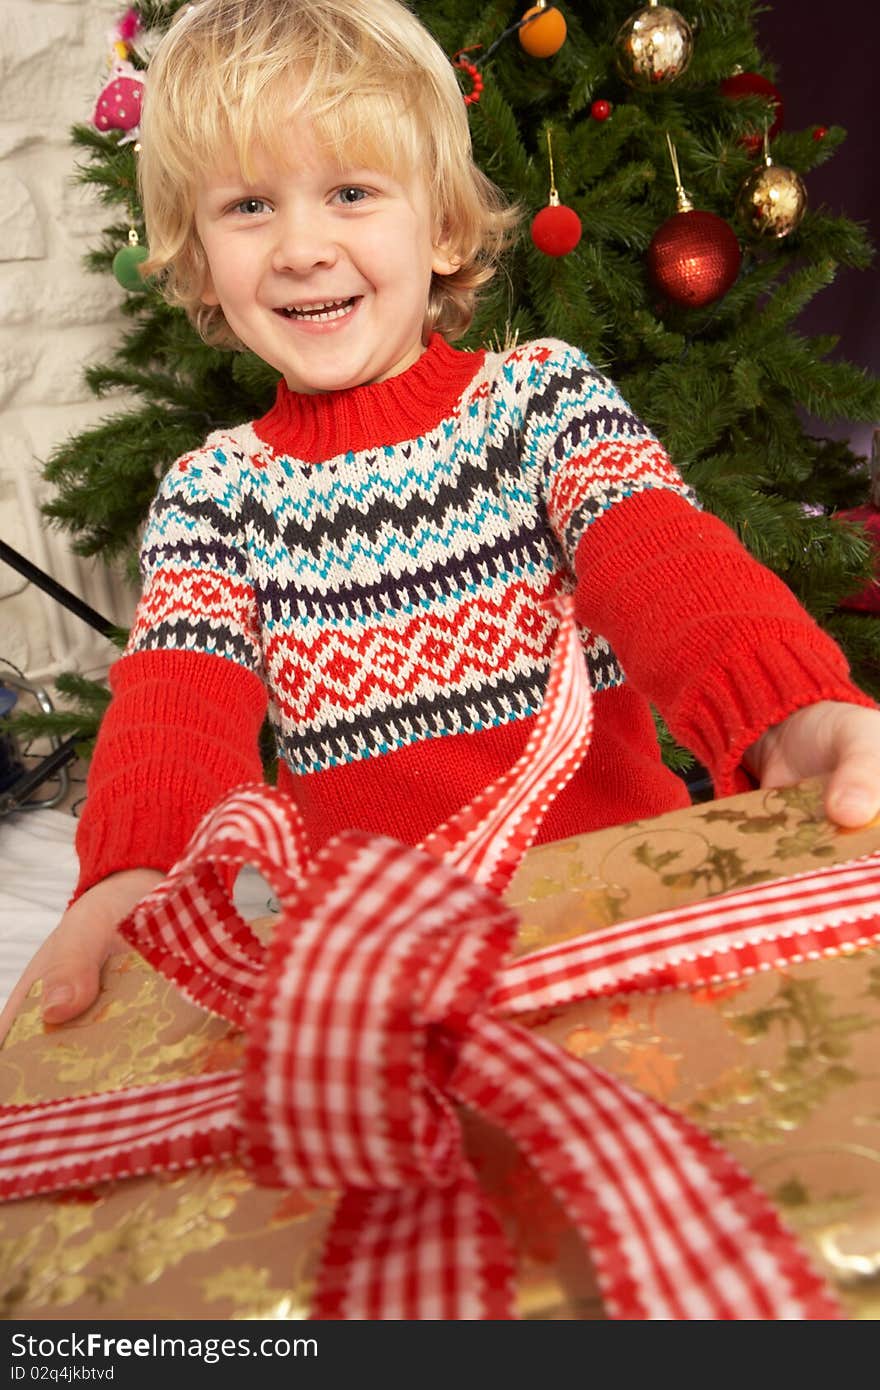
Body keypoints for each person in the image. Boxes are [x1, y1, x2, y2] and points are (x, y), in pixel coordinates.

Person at [3, 0, 879, 1043]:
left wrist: (789, 709)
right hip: (385, 983)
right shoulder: (214, 494)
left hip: (619, 925)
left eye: (351, 192)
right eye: (247, 207)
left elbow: (664, 559)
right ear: (194, 255)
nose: (300, 247)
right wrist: (130, 876)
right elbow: (179, 699)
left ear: (444, 226)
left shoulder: (538, 404)